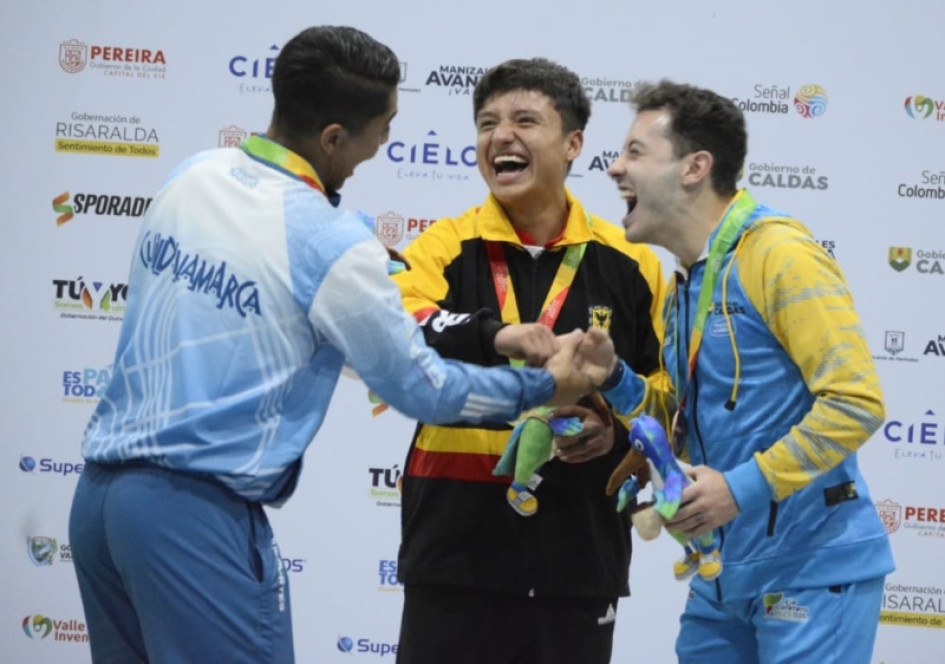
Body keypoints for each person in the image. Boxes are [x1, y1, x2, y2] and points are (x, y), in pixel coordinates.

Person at [67, 27, 592, 664]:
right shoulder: (329, 241)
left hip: (97, 503)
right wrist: (543, 387)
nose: (385, 144)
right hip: (193, 515)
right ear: (335, 138)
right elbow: (421, 388)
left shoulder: (193, 174)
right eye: (384, 127)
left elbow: (281, 309)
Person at [588, 79, 894, 663]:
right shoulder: (688, 278)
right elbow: (680, 417)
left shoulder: (779, 254)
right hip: (723, 573)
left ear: (694, 166)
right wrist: (614, 379)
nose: (614, 168)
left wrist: (738, 488)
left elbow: (856, 403)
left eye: (634, 152)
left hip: (810, 567)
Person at [392, 58, 669, 664]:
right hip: (453, 551)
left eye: (524, 120)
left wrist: (614, 428)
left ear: (573, 144)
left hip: (579, 554)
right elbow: (397, 329)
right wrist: (493, 334)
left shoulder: (633, 263)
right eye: (487, 122)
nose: (501, 137)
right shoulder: (442, 246)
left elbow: (669, 390)